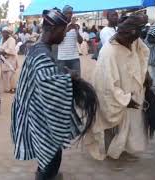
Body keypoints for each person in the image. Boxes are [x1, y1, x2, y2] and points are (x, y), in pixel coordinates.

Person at [12, 7, 98, 180]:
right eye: (63, 31)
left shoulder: (39, 49)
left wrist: (61, 75)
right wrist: (69, 77)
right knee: (52, 153)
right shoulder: (42, 54)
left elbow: (44, 79)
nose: (65, 35)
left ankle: (44, 173)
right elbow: (50, 86)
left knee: (48, 151)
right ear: (52, 29)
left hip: (34, 110)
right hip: (37, 114)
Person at [85, 14, 150, 165]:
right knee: (112, 123)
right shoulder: (109, 53)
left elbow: (143, 51)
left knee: (129, 124)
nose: (131, 43)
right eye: (129, 40)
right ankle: (111, 154)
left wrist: (145, 73)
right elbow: (105, 86)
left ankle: (123, 150)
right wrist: (124, 99)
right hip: (115, 96)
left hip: (132, 91)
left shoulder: (133, 39)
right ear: (122, 33)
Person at [53, 5, 83, 75]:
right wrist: (67, 30)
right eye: (67, 13)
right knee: (63, 81)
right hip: (62, 58)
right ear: (63, 14)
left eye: (71, 13)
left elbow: (80, 41)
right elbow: (57, 40)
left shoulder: (77, 25)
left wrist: (77, 31)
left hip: (74, 58)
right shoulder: (58, 25)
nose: (69, 15)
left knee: (77, 80)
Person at [0, 27, 18, 93]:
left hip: (11, 59)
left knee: (11, 74)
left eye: (5, 32)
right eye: (3, 32)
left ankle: (13, 88)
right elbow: (0, 48)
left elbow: (10, 49)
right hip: (4, 59)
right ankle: (7, 88)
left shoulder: (11, 40)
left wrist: (3, 52)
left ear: (8, 33)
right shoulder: (2, 39)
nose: (3, 33)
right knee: (4, 74)